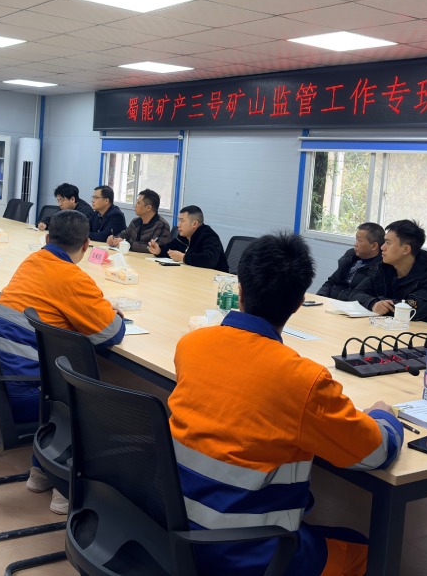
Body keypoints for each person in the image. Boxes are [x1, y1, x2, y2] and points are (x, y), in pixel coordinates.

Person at [167, 232, 403, 576]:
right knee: (368, 553)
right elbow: (375, 453)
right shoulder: (303, 380)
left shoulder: (191, 345)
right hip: (247, 552)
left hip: (172, 523)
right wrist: (384, 414)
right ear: (298, 303)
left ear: (240, 290)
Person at [0, 210, 125, 514]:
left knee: (60, 385)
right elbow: (111, 333)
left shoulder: (32, 261)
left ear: (47, 238)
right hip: (25, 391)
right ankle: (64, 487)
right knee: (75, 398)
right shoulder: (73, 277)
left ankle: (40, 473)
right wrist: (109, 311)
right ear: (86, 245)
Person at [352, 219, 427, 325]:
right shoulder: (384, 267)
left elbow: (410, 311)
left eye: (388, 243)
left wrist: (381, 303)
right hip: (388, 326)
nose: (382, 247)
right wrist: (373, 304)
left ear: (406, 249)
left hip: (426, 331)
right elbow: (356, 294)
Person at [148, 204, 228, 272]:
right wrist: (159, 251)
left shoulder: (209, 236)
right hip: (192, 274)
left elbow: (209, 260)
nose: (178, 225)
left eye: (182, 221)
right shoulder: (183, 237)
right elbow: (169, 250)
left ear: (194, 224)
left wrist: (183, 258)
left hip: (214, 280)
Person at [316, 222, 384, 301]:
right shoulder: (350, 256)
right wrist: (320, 297)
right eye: (356, 240)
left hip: (349, 306)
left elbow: (364, 297)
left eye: (359, 241)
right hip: (330, 302)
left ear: (374, 246)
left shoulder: (380, 268)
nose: (355, 244)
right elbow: (331, 282)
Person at [106, 188, 172, 252]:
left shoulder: (161, 225)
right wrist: (114, 239)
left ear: (148, 207)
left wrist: (128, 244)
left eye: (138, 203)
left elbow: (154, 247)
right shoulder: (135, 222)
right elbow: (123, 235)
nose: (135, 205)